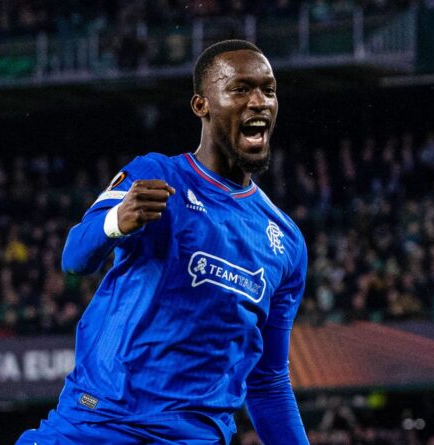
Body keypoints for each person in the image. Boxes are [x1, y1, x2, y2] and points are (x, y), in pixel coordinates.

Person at [16, 39, 309, 445]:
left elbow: (269, 380)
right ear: (201, 105)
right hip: (96, 426)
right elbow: (74, 257)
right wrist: (117, 222)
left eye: (269, 90)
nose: (259, 101)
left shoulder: (286, 243)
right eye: (240, 89)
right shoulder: (156, 175)